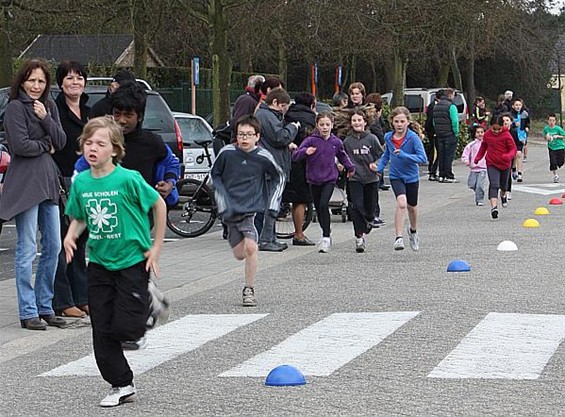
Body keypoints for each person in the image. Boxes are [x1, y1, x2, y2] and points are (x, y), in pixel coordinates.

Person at [64, 116, 166, 407]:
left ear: (115, 149)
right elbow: (81, 216)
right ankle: (121, 383)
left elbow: (157, 204)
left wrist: (156, 247)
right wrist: (71, 236)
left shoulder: (128, 179)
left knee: (126, 328)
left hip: (133, 260)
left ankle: (149, 305)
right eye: (88, 142)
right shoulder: (81, 182)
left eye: (100, 143)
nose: (93, 148)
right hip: (98, 262)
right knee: (102, 327)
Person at [0, 59, 67, 330]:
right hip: (26, 184)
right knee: (27, 248)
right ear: (22, 81)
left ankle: (45, 306)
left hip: (48, 182)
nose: (36, 86)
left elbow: (61, 142)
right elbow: (20, 146)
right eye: (31, 80)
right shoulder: (15, 108)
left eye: (41, 81)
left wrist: (45, 119)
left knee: (54, 246)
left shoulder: (48, 107)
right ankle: (28, 311)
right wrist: (45, 143)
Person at [211, 115, 285, 306]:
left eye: (248, 135)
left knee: (251, 247)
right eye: (241, 134)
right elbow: (215, 176)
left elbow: (279, 177)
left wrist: (273, 204)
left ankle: (248, 290)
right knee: (239, 254)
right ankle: (240, 245)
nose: (244, 138)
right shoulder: (227, 153)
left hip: (251, 210)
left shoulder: (263, 156)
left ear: (257, 136)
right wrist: (222, 200)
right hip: (230, 211)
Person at [52, 60, 90, 318]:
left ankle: (82, 295)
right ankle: (62, 299)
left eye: (79, 77)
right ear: (61, 83)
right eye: (69, 78)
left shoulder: (90, 112)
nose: (74, 82)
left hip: (86, 181)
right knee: (63, 239)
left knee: (82, 240)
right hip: (62, 180)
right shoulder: (54, 111)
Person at [292, 112, 355, 253]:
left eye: (327, 125)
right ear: (317, 126)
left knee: (323, 204)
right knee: (319, 208)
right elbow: (295, 155)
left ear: (332, 125)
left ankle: (326, 237)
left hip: (329, 178)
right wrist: (305, 152)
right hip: (314, 179)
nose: (325, 128)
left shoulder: (336, 142)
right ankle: (325, 228)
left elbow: (342, 156)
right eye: (322, 125)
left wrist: (350, 167)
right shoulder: (311, 140)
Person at [255, 88, 299, 252]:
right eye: (283, 106)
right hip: (272, 168)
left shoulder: (263, 115)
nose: (284, 110)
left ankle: (269, 237)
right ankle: (267, 239)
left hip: (269, 166)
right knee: (271, 205)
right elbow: (279, 137)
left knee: (269, 204)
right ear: (275, 103)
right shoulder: (266, 116)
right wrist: (293, 128)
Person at [377, 106, 427, 251]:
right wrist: (379, 169)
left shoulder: (413, 138)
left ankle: (413, 231)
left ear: (407, 122)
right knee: (402, 203)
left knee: (412, 207)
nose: (399, 124)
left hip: (411, 177)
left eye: (402, 121)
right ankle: (398, 238)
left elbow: (422, 158)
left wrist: (405, 155)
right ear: (392, 122)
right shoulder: (388, 137)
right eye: (396, 121)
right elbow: (387, 154)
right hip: (395, 176)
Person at [343, 109, 382, 252]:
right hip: (354, 178)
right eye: (354, 120)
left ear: (365, 122)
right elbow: (342, 156)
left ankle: (369, 221)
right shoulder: (347, 141)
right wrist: (343, 165)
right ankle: (359, 237)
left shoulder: (371, 138)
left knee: (370, 209)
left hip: (371, 178)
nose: (357, 123)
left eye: (359, 120)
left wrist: (376, 164)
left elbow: (381, 155)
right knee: (356, 207)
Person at [283, 92, 317, 246]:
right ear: (311, 104)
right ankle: (299, 234)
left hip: (285, 161)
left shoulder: (286, 116)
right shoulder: (311, 120)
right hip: (302, 164)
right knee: (301, 200)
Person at [474, 116, 517, 220]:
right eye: (494, 129)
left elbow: (513, 149)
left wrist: (508, 156)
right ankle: (494, 207)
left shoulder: (507, 135)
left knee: (503, 186)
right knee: (494, 184)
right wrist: (478, 157)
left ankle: (503, 196)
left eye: (499, 129)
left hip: (505, 164)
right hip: (492, 163)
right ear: (491, 127)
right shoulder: (487, 135)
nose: (497, 131)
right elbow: (484, 146)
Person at [432, 88, 460, 183]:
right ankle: (449, 175)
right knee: (449, 155)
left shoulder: (436, 106)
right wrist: (456, 133)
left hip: (439, 134)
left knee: (441, 155)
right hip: (449, 134)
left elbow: (434, 121)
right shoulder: (451, 106)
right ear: (450, 95)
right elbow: (455, 121)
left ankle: (441, 174)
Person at [461, 126, 487, 206]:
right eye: (478, 132)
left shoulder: (487, 144)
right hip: (473, 168)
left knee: (479, 185)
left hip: (483, 168)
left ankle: (480, 199)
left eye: (482, 132)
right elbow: (465, 153)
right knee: (471, 184)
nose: (480, 134)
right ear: (474, 134)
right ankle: (478, 192)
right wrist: (466, 160)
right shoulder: (471, 145)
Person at [542, 113, 565, 183]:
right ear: (548, 121)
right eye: (550, 120)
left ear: (555, 121)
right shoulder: (546, 128)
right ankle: (555, 175)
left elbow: (564, 135)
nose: (551, 122)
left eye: (553, 120)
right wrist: (547, 137)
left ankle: (559, 164)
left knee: (561, 162)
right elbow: (544, 136)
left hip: (560, 147)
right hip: (551, 147)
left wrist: (557, 136)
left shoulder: (558, 128)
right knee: (553, 162)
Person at [510, 98, 530, 182]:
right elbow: (508, 125)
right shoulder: (510, 115)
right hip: (512, 136)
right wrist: (514, 124)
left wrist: (527, 127)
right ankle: (513, 168)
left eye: (519, 105)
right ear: (513, 106)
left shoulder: (524, 114)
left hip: (521, 136)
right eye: (516, 105)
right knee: (513, 155)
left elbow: (528, 122)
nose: (518, 106)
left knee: (518, 154)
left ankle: (520, 173)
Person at [425, 90, 442, 181]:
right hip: (433, 132)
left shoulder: (434, 105)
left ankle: (433, 170)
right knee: (435, 152)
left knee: (436, 151)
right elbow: (432, 120)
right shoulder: (434, 106)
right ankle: (432, 171)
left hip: (434, 131)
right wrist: (435, 131)